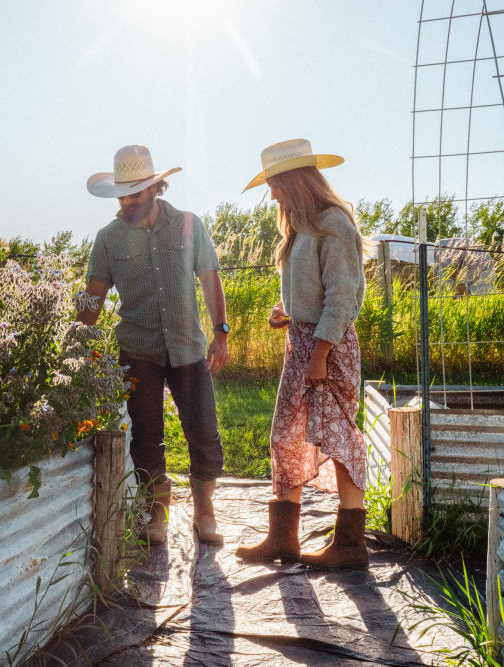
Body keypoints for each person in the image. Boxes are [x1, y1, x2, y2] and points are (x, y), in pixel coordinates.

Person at [78, 144, 229, 546]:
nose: (127, 201)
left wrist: (221, 333)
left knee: (204, 433)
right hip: (137, 350)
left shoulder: (188, 225)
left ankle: (205, 513)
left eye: (135, 193)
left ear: (156, 188)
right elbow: (94, 296)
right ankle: (156, 512)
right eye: (122, 195)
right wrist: (76, 339)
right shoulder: (108, 239)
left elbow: (210, 278)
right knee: (146, 437)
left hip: (188, 348)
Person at [234, 138, 368, 570]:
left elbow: (342, 297)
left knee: (336, 435)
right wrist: (286, 311)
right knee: (285, 436)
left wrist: (320, 353)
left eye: (275, 184)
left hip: (328, 348)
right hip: (303, 345)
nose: (272, 194)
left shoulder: (334, 224)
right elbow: (312, 291)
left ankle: (350, 544)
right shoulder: (300, 229)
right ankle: (283, 539)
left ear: (295, 181)